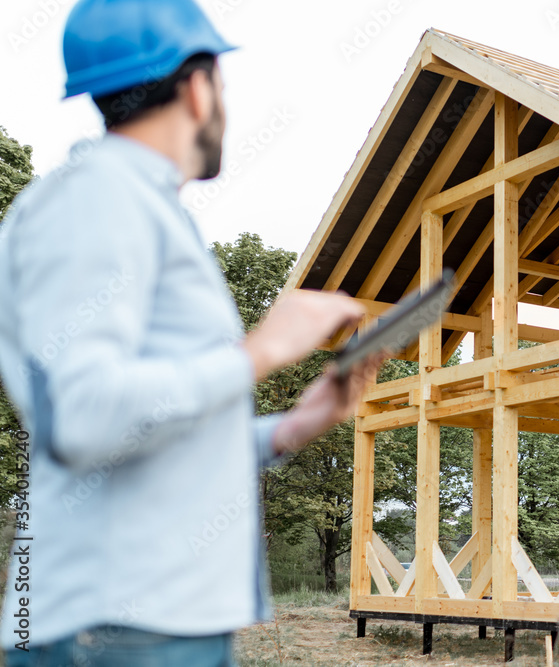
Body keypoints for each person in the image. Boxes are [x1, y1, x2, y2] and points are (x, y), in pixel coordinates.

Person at [0, 0, 382, 664]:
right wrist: (261, 349)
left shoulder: (131, 206)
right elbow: (84, 415)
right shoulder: (97, 197)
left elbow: (144, 424)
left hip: (146, 624)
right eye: (223, 86)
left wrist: (290, 426)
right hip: (119, 629)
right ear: (198, 87)